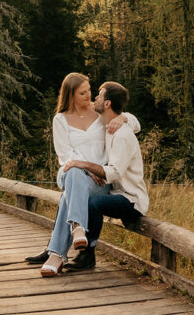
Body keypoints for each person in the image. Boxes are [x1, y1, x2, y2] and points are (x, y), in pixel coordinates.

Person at [25, 73, 140, 272]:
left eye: (90, 91)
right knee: (74, 173)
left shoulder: (99, 114)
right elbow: (65, 156)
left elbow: (135, 125)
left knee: (70, 195)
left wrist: (122, 117)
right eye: (83, 93)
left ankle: (56, 253)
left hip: (98, 180)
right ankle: (77, 226)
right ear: (71, 95)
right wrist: (84, 166)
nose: (89, 96)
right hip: (70, 172)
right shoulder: (60, 120)